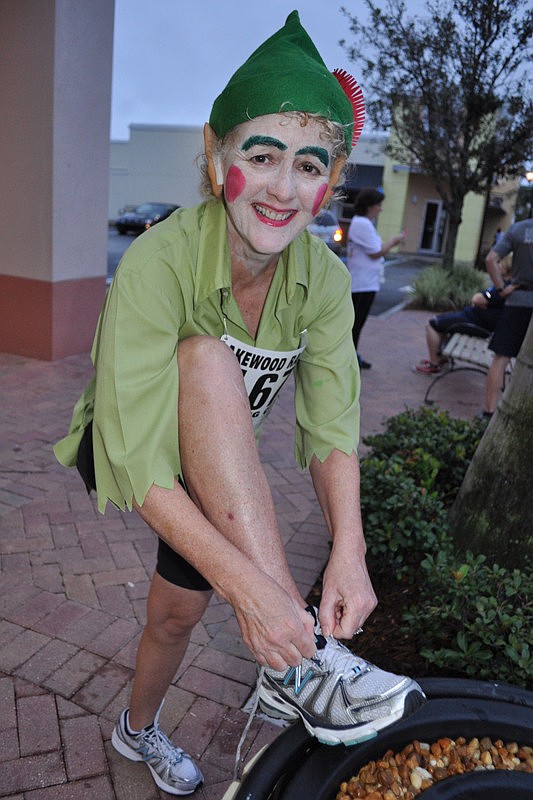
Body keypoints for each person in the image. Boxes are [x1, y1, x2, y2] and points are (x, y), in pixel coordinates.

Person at [54, 12, 424, 796]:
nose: (284, 189)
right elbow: (138, 457)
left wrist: (348, 550)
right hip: (129, 442)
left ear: (331, 177)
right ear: (216, 154)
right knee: (205, 356)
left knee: (176, 616)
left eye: (308, 164)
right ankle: (307, 664)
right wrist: (258, 592)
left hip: (220, 461)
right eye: (261, 156)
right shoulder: (158, 259)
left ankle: (136, 729)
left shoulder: (321, 280)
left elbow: (329, 427)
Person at [346, 188, 405, 369]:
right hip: (362, 283)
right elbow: (376, 252)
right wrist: (394, 241)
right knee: (355, 324)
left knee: (356, 324)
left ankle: (351, 357)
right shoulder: (363, 224)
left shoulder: (362, 223)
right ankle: (350, 360)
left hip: (363, 282)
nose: (380, 209)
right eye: (379, 205)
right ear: (370, 206)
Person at [483, 218, 533, 415]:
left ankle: (489, 410)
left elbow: (490, 259)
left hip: (518, 301)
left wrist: (501, 288)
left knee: (501, 357)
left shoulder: (519, 229)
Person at [414, 280, 510, 375]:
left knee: (433, 324)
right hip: (474, 318)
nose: (498, 265)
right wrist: (484, 297)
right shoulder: (505, 284)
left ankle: (435, 365)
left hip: (476, 323)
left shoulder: (504, 286)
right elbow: (484, 297)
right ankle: (441, 359)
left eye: (500, 264)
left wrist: (483, 297)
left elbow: (478, 299)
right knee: (440, 321)